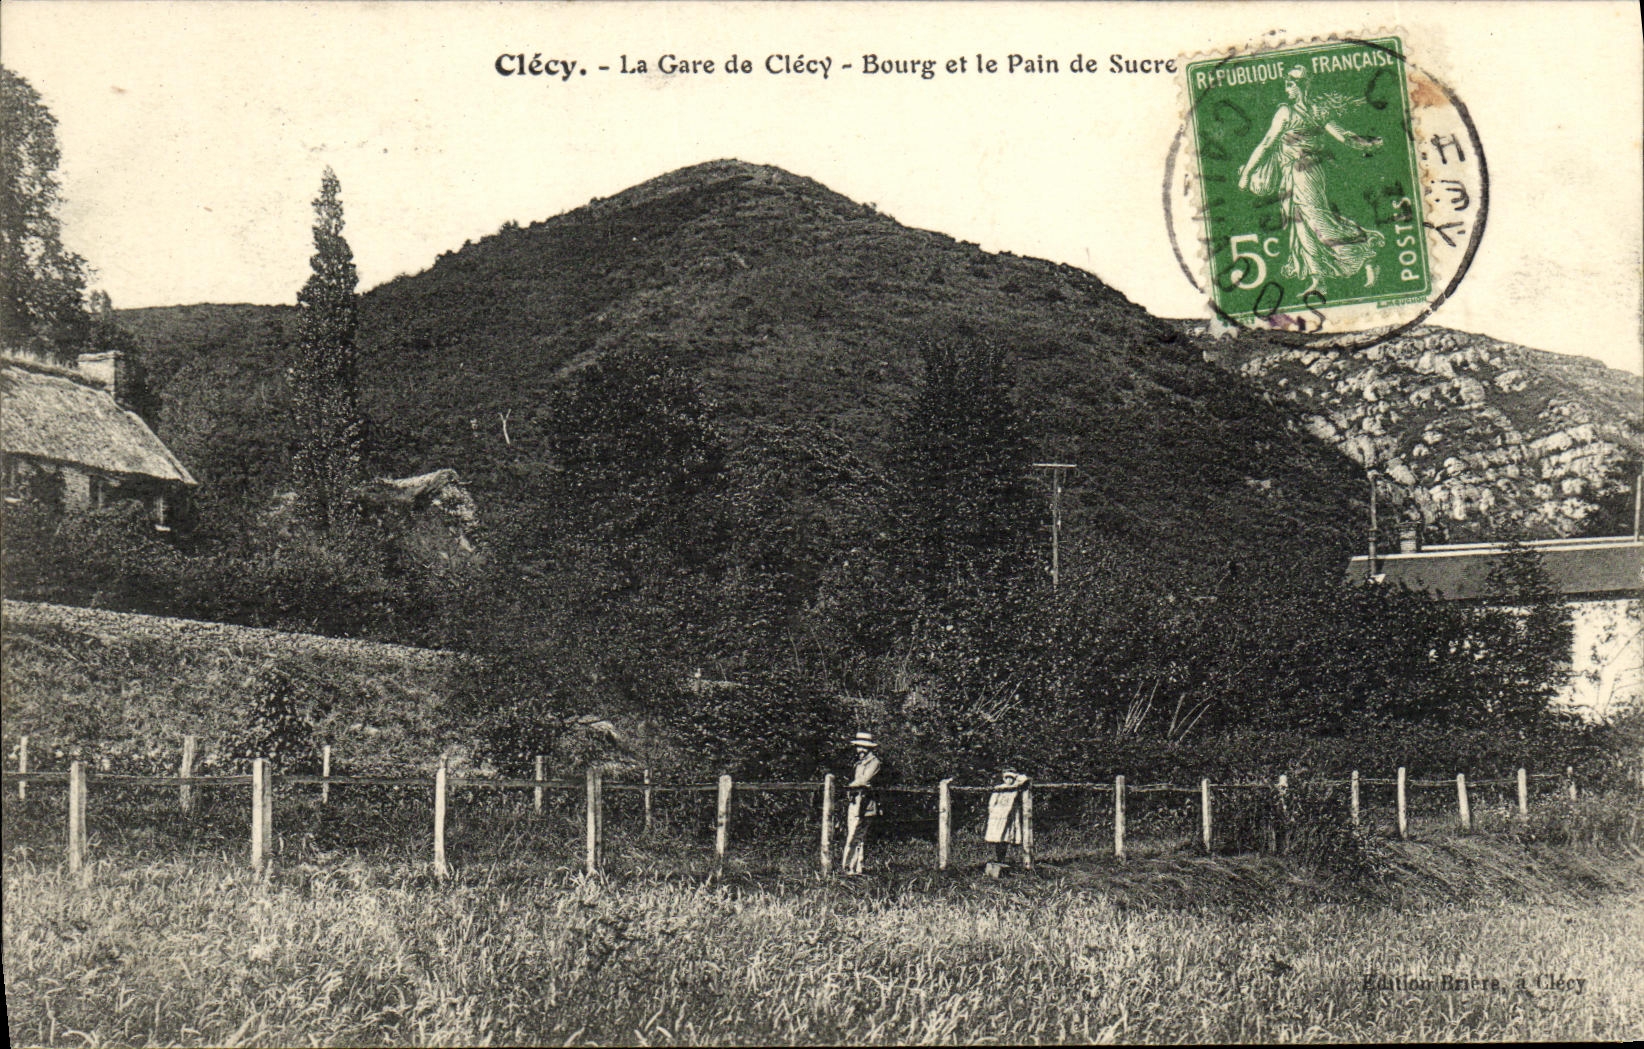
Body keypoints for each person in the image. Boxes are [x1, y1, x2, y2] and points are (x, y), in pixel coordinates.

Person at [1237, 65, 1386, 298]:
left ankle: (1364, 254)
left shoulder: (1316, 111)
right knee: (1300, 225)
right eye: (1287, 83)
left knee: (1318, 220)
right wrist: (1248, 172)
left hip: (1308, 173)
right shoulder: (1286, 112)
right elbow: (1267, 144)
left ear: (1303, 85)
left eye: (1292, 83)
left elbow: (1343, 135)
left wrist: (1366, 143)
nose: (1288, 88)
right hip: (1290, 174)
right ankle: (1319, 280)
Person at [840, 731, 881, 876]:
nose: (860, 750)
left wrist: (849, 786)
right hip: (854, 802)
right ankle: (856, 868)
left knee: (856, 835)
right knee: (855, 836)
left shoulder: (874, 763)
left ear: (870, 748)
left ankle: (849, 868)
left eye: (864, 747)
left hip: (865, 805)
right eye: (858, 747)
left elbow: (864, 781)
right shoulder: (858, 764)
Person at [984, 765, 1031, 872]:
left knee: (1005, 838)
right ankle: (998, 859)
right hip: (998, 816)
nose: (1009, 780)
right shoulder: (999, 788)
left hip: (1010, 817)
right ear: (1004, 778)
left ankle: (1002, 859)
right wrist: (993, 813)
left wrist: (1016, 775)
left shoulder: (1015, 788)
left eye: (1011, 778)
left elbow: (1024, 779)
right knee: (997, 837)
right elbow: (992, 803)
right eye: (1007, 777)